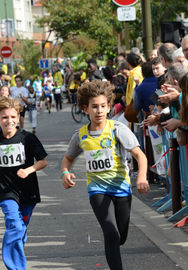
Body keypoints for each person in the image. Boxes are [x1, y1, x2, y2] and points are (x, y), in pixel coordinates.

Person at [61, 80, 149, 270]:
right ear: (85, 109)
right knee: (111, 233)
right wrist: (65, 172)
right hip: (97, 190)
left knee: (121, 236)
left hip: (121, 189)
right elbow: (67, 159)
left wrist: (142, 177)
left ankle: (115, 243)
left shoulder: (117, 129)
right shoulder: (81, 135)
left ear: (109, 107)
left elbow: (139, 155)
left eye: (103, 106)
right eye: (94, 107)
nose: (99, 111)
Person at [0, 97, 47, 270]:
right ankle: (15, 267)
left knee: (19, 229)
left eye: (13, 117)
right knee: (14, 224)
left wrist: (28, 170)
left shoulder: (27, 138)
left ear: (18, 118)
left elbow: (43, 161)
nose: (9, 121)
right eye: (5, 117)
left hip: (28, 191)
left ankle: (16, 247)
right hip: (6, 190)